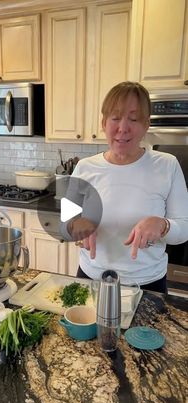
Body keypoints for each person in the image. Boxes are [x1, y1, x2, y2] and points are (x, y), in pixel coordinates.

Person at [61, 81, 188, 293]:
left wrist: (162, 225)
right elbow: (65, 224)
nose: (123, 128)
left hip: (148, 285)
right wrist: (77, 227)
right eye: (115, 117)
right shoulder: (85, 167)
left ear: (146, 124)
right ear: (104, 123)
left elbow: (184, 228)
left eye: (134, 118)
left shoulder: (167, 165)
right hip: (91, 279)